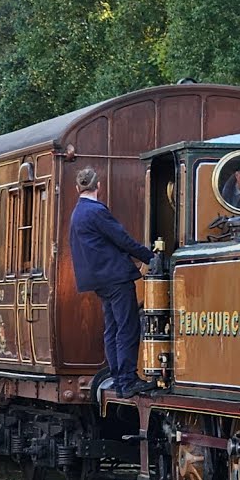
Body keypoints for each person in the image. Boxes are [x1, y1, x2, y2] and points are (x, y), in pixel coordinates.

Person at [68, 166, 156, 398]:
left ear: (78, 188)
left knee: (113, 328)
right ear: (99, 186)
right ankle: (127, 380)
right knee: (127, 326)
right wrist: (151, 257)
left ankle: (118, 379)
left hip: (98, 280)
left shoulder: (77, 213)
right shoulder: (96, 211)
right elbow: (122, 239)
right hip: (116, 277)